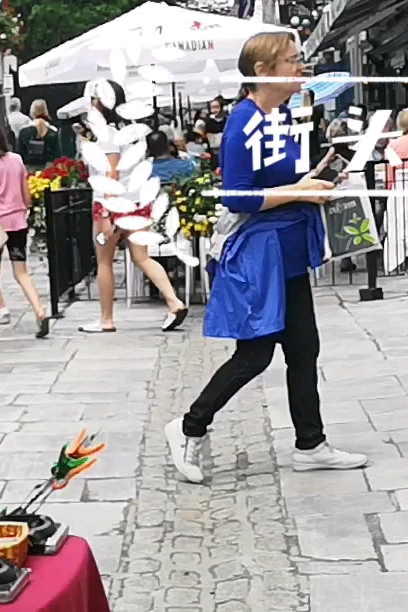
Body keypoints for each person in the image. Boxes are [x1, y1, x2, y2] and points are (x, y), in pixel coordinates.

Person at [165, 31, 368, 484]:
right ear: (262, 71)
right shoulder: (244, 123)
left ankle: (311, 443)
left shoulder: (276, 118)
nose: (301, 69)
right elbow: (239, 197)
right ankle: (188, 427)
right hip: (260, 253)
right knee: (255, 353)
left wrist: (314, 180)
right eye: (293, 61)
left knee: (303, 349)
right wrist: (300, 190)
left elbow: (281, 181)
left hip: (287, 250)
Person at [79, 82, 189, 333]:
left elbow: (111, 173)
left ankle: (106, 318)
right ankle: (173, 301)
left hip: (111, 202)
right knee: (142, 257)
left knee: (104, 262)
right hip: (137, 200)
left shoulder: (105, 134)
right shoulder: (128, 131)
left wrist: (106, 212)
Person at [0, 121, 49, 338]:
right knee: (21, 272)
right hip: (18, 222)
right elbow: (26, 193)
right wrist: (25, 209)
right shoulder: (17, 160)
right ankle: (40, 310)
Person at [17, 99, 69, 170]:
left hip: (29, 170)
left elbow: (20, 155)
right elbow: (57, 155)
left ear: (32, 112)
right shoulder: (53, 131)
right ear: (46, 112)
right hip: (48, 170)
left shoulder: (23, 131)